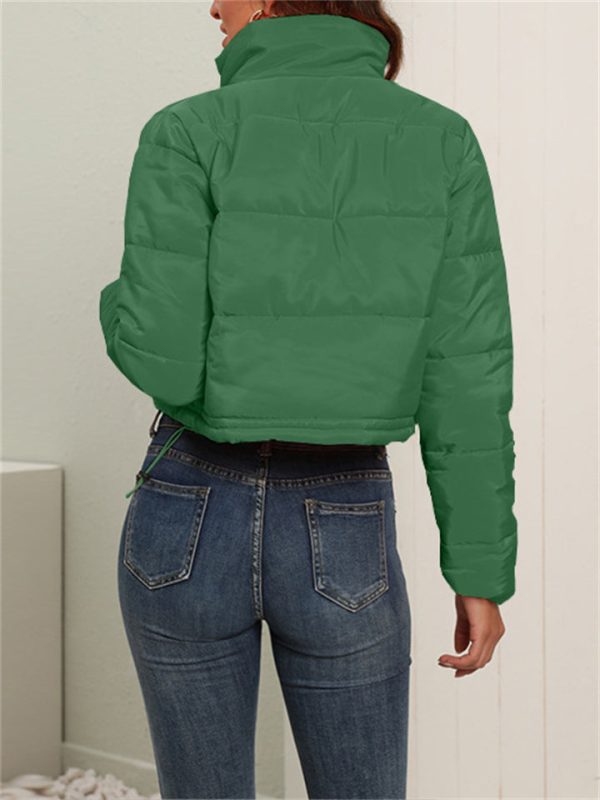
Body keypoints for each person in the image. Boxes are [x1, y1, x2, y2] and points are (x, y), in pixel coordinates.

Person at [99, 1, 517, 797]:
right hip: (344, 514)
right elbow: (470, 377)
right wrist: (479, 571)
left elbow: (164, 364)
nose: (212, 6)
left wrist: (113, 300)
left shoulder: (186, 130)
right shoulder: (442, 139)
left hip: (187, 509)